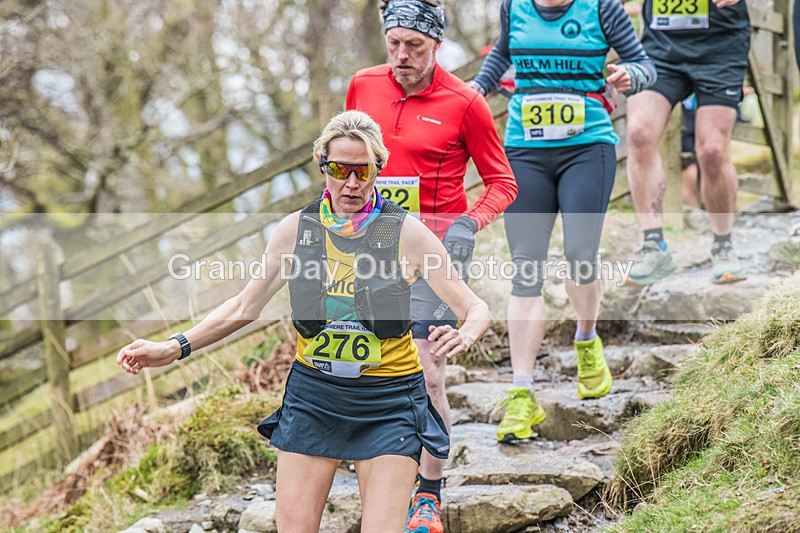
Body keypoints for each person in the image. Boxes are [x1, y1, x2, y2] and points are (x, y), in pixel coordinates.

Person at [116, 111, 490, 533]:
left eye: (362, 171)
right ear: (321, 164)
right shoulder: (296, 231)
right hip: (315, 398)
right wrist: (172, 347)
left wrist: (466, 333)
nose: (351, 183)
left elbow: (475, 307)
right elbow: (244, 307)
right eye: (339, 170)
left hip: (387, 402)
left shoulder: (406, 233)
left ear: (378, 169)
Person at [346, 1, 518, 530]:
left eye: (414, 46)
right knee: (366, 368)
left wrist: (469, 224)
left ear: (437, 45)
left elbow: (503, 183)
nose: (401, 55)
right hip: (368, 251)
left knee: (426, 372)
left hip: (433, 256)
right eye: (393, 43)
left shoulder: (465, 102)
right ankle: (380, 477)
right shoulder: (362, 85)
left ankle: (428, 494)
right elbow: (345, 163)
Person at [469, 0, 656, 442]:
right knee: (525, 270)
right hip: (524, 149)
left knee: (580, 258)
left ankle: (587, 339)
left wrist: (632, 77)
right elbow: (502, 54)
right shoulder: (514, 7)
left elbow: (645, 65)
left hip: (587, 148)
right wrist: (477, 89)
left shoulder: (601, 8)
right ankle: (521, 395)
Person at [625, 0, 750, 285]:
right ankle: (653, 245)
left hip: (720, 45)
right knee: (639, 133)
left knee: (712, 151)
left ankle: (723, 243)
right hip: (661, 46)